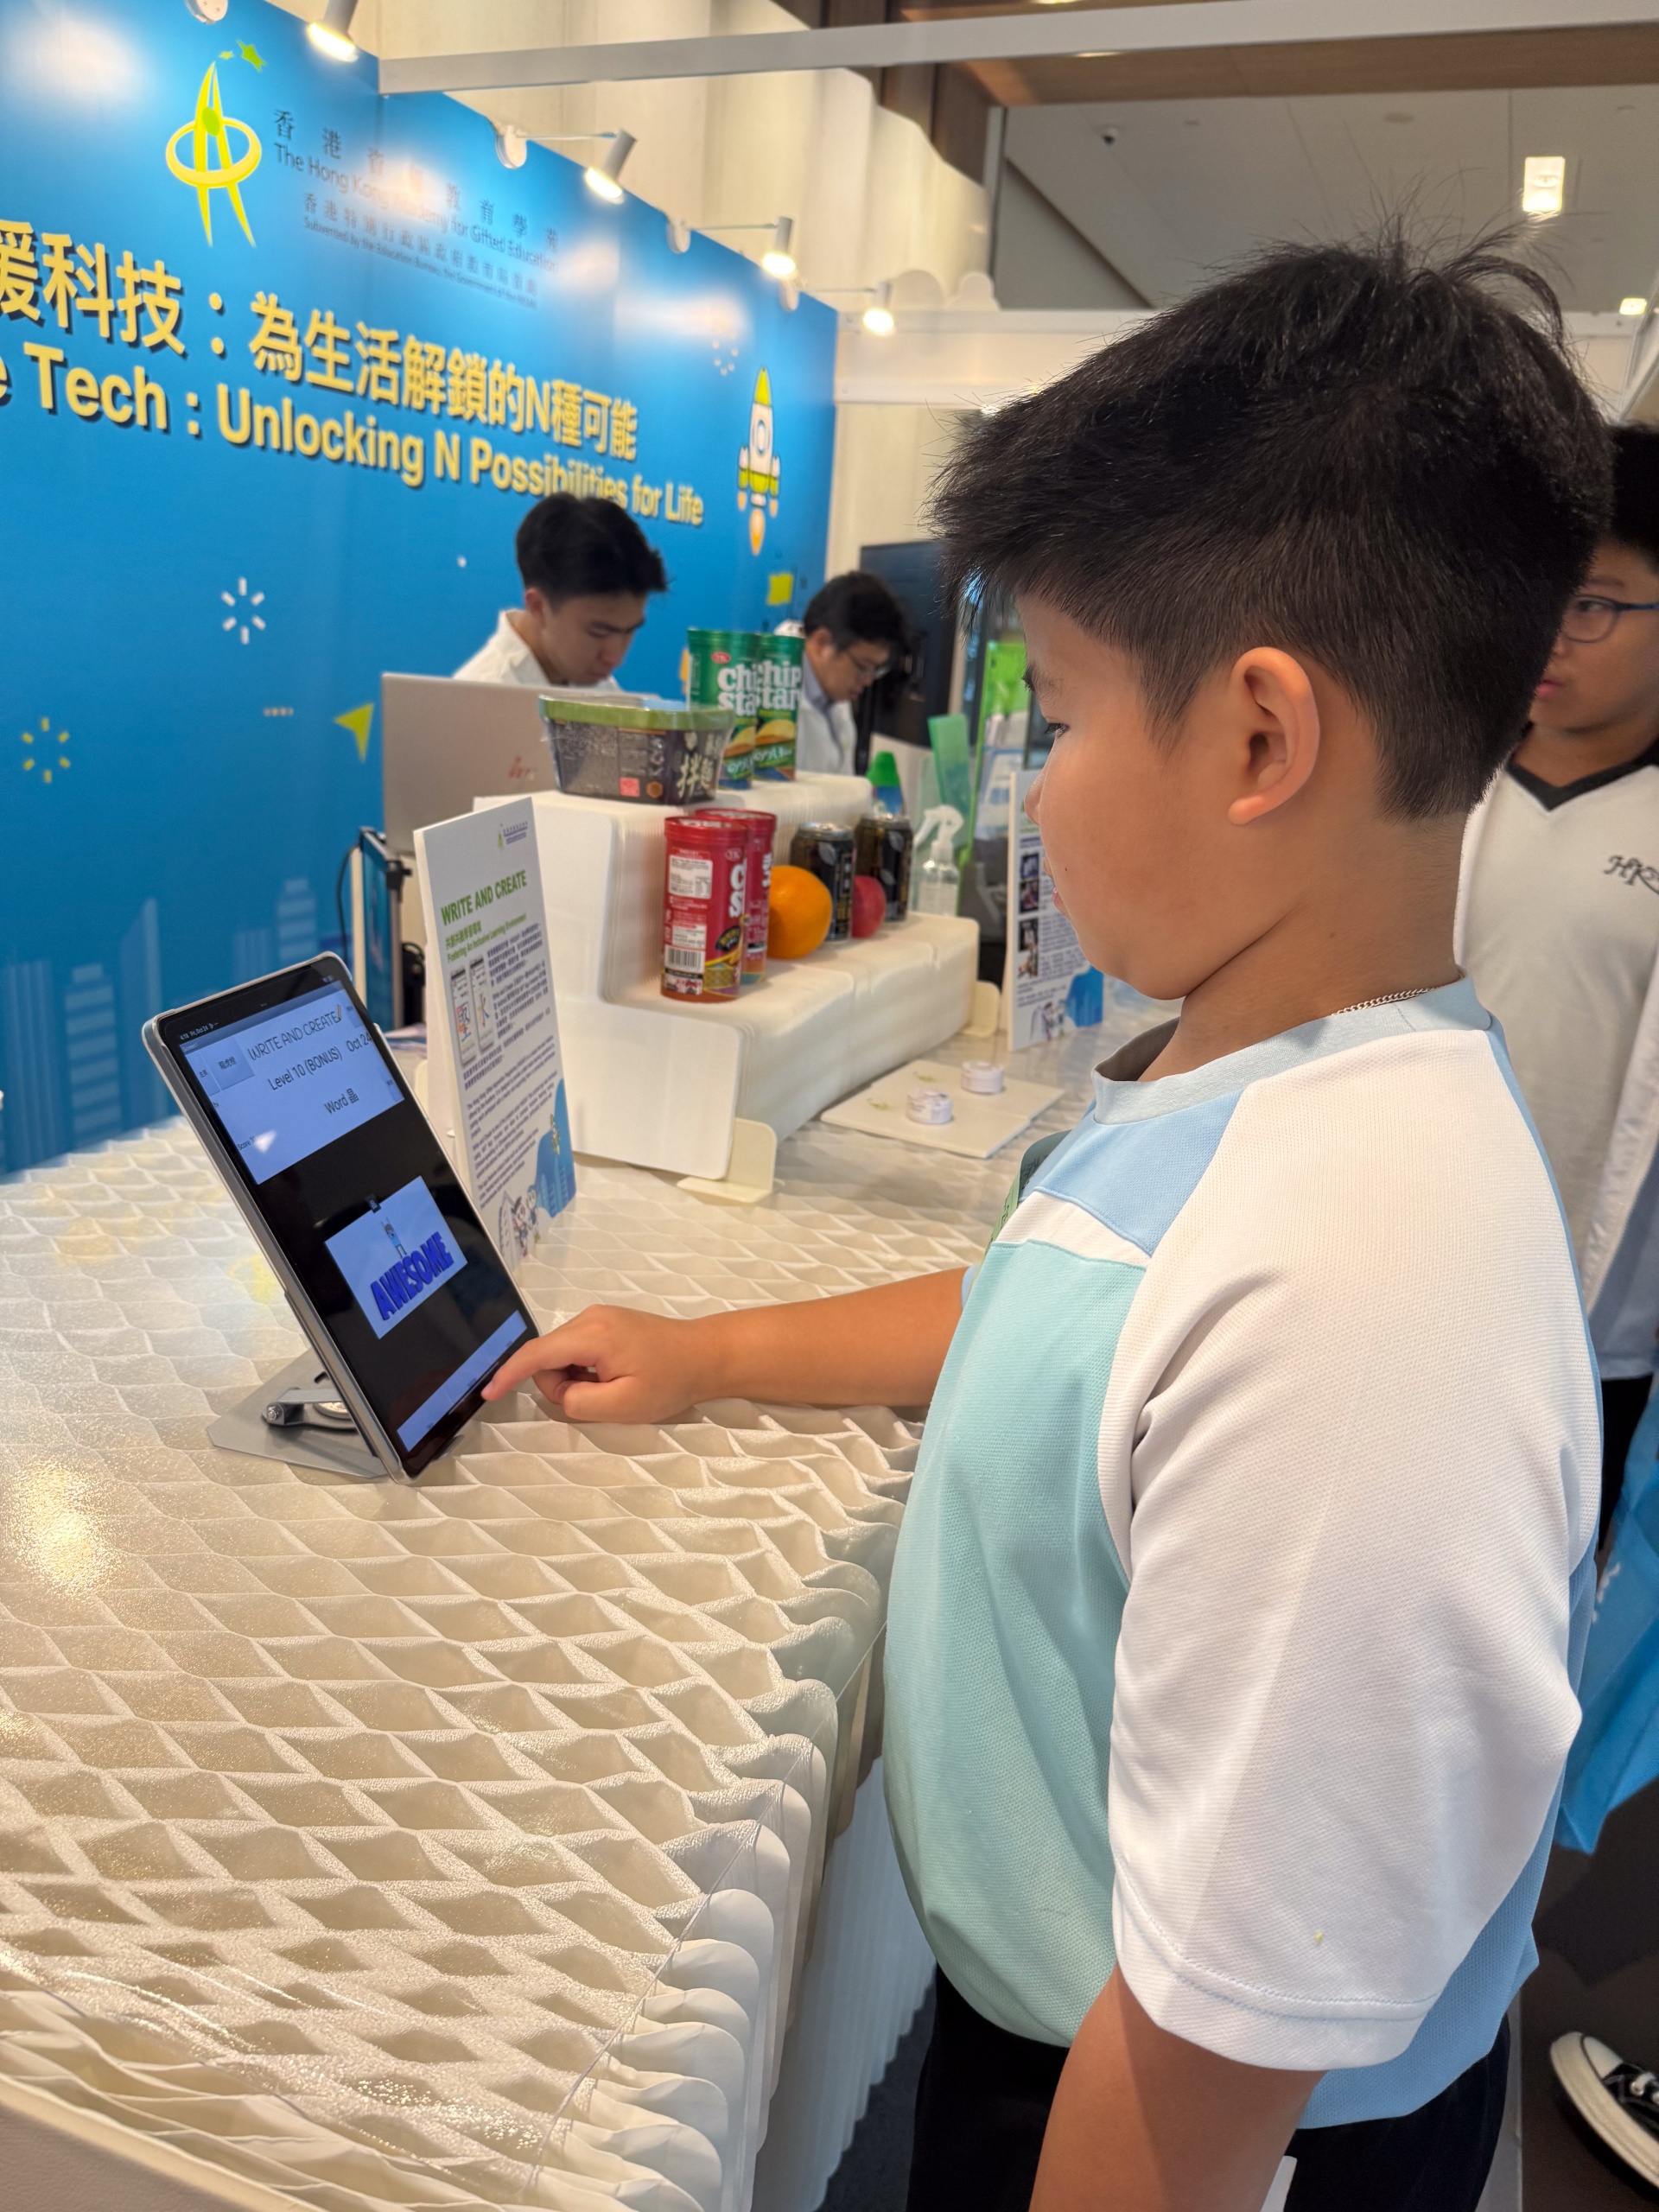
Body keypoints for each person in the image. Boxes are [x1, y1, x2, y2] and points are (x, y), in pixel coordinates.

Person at [484, 232, 1605, 2212]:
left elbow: (1205, 2060)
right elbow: (1058, 1304)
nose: (1037, 787)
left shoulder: (1359, 1281)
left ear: (1258, 739)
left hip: (1168, 2118)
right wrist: (717, 1351)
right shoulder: (1268, 1081)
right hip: (1072, 2026)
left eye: (1063, 717)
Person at [1459, 426, 1659, 1541]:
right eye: (1536, 592)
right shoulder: (1438, 777)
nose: (1550, 632)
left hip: (1593, 1320)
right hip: (1408, 1253)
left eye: (1592, 604)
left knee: (1548, 1585)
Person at [454, 493, 667, 689]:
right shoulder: (476, 700)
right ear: (538, 607)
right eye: (598, 633)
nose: (615, 658)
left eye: (629, 631)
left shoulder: (603, 689)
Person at [791, 569, 910, 774]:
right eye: (863, 666)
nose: (868, 681)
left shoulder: (833, 694)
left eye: (876, 670)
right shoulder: (768, 699)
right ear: (822, 643)